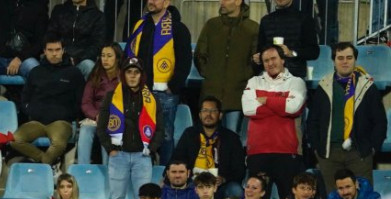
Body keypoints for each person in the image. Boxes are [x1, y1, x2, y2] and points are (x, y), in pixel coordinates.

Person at [307, 42, 388, 192]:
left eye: (349, 57)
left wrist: (371, 148)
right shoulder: (323, 87)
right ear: (334, 61)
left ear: (355, 60)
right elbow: (313, 121)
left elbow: (380, 122)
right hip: (329, 153)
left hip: (359, 153)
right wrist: (317, 148)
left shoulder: (367, 86)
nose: (345, 61)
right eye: (340, 58)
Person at [97, 57, 164, 199]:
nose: (132, 76)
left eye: (136, 72)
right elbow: (102, 125)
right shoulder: (112, 96)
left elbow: (160, 128)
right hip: (118, 155)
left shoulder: (151, 99)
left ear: (141, 76)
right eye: (129, 72)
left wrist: (152, 149)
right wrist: (110, 148)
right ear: (123, 74)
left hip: (142, 156)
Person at [125, 0, 192, 165]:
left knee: (166, 135)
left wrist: (173, 86)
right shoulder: (140, 26)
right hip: (140, 91)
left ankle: (165, 171)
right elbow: (130, 56)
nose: (151, 2)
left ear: (167, 2)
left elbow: (185, 61)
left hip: (165, 93)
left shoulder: (178, 28)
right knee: (139, 132)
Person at [242, 45, 307, 199]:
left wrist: (265, 100)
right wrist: (280, 102)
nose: (270, 63)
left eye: (273, 59)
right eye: (266, 61)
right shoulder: (254, 81)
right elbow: (248, 109)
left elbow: (293, 108)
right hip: (258, 152)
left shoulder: (297, 82)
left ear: (282, 60)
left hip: (287, 152)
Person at [11, 35, 85, 166]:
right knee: (14, 140)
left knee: (58, 144)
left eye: (57, 50)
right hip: (36, 122)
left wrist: (70, 114)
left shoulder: (74, 73)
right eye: (50, 50)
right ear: (44, 51)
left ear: (63, 50)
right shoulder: (35, 72)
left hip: (61, 123)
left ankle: (42, 166)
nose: (54, 54)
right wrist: (30, 109)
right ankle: (47, 162)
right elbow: (25, 97)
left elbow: (80, 99)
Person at [194, 0, 258, 133]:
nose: (221, 2)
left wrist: (243, 76)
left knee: (232, 140)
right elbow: (200, 55)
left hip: (236, 96)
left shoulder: (252, 29)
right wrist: (210, 75)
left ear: (238, 2)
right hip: (211, 94)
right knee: (207, 139)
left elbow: (255, 61)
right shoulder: (211, 25)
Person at [0, 0, 48, 101]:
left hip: (24, 59)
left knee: (35, 71)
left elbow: (40, 42)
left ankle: (28, 111)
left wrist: (20, 58)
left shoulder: (38, 6)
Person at [172, 96, 246, 199]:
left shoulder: (231, 138)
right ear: (200, 115)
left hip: (219, 186)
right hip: (193, 183)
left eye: (213, 111)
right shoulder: (190, 134)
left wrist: (224, 179)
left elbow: (239, 170)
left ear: (220, 115)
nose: (208, 114)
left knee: (235, 190)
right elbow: (177, 159)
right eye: (205, 111)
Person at [79, 43, 124, 165]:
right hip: (96, 118)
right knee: (85, 130)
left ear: (117, 58)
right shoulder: (96, 76)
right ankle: (82, 169)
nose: (105, 59)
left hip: (116, 119)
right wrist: (96, 115)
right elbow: (86, 102)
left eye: (109, 56)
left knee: (109, 131)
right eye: (103, 56)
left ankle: (108, 172)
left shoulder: (124, 78)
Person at [254, 0, 319, 79]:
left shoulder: (305, 19)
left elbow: (314, 52)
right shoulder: (265, 21)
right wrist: (258, 57)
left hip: (294, 77)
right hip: (269, 77)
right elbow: (260, 50)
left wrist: (291, 53)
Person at [46, 0, 106, 77]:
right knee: (36, 67)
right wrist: (61, 55)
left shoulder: (97, 16)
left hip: (81, 61)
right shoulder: (59, 10)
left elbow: (97, 44)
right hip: (58, 58)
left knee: (89, 65)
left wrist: (77, 58)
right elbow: (50, 35)